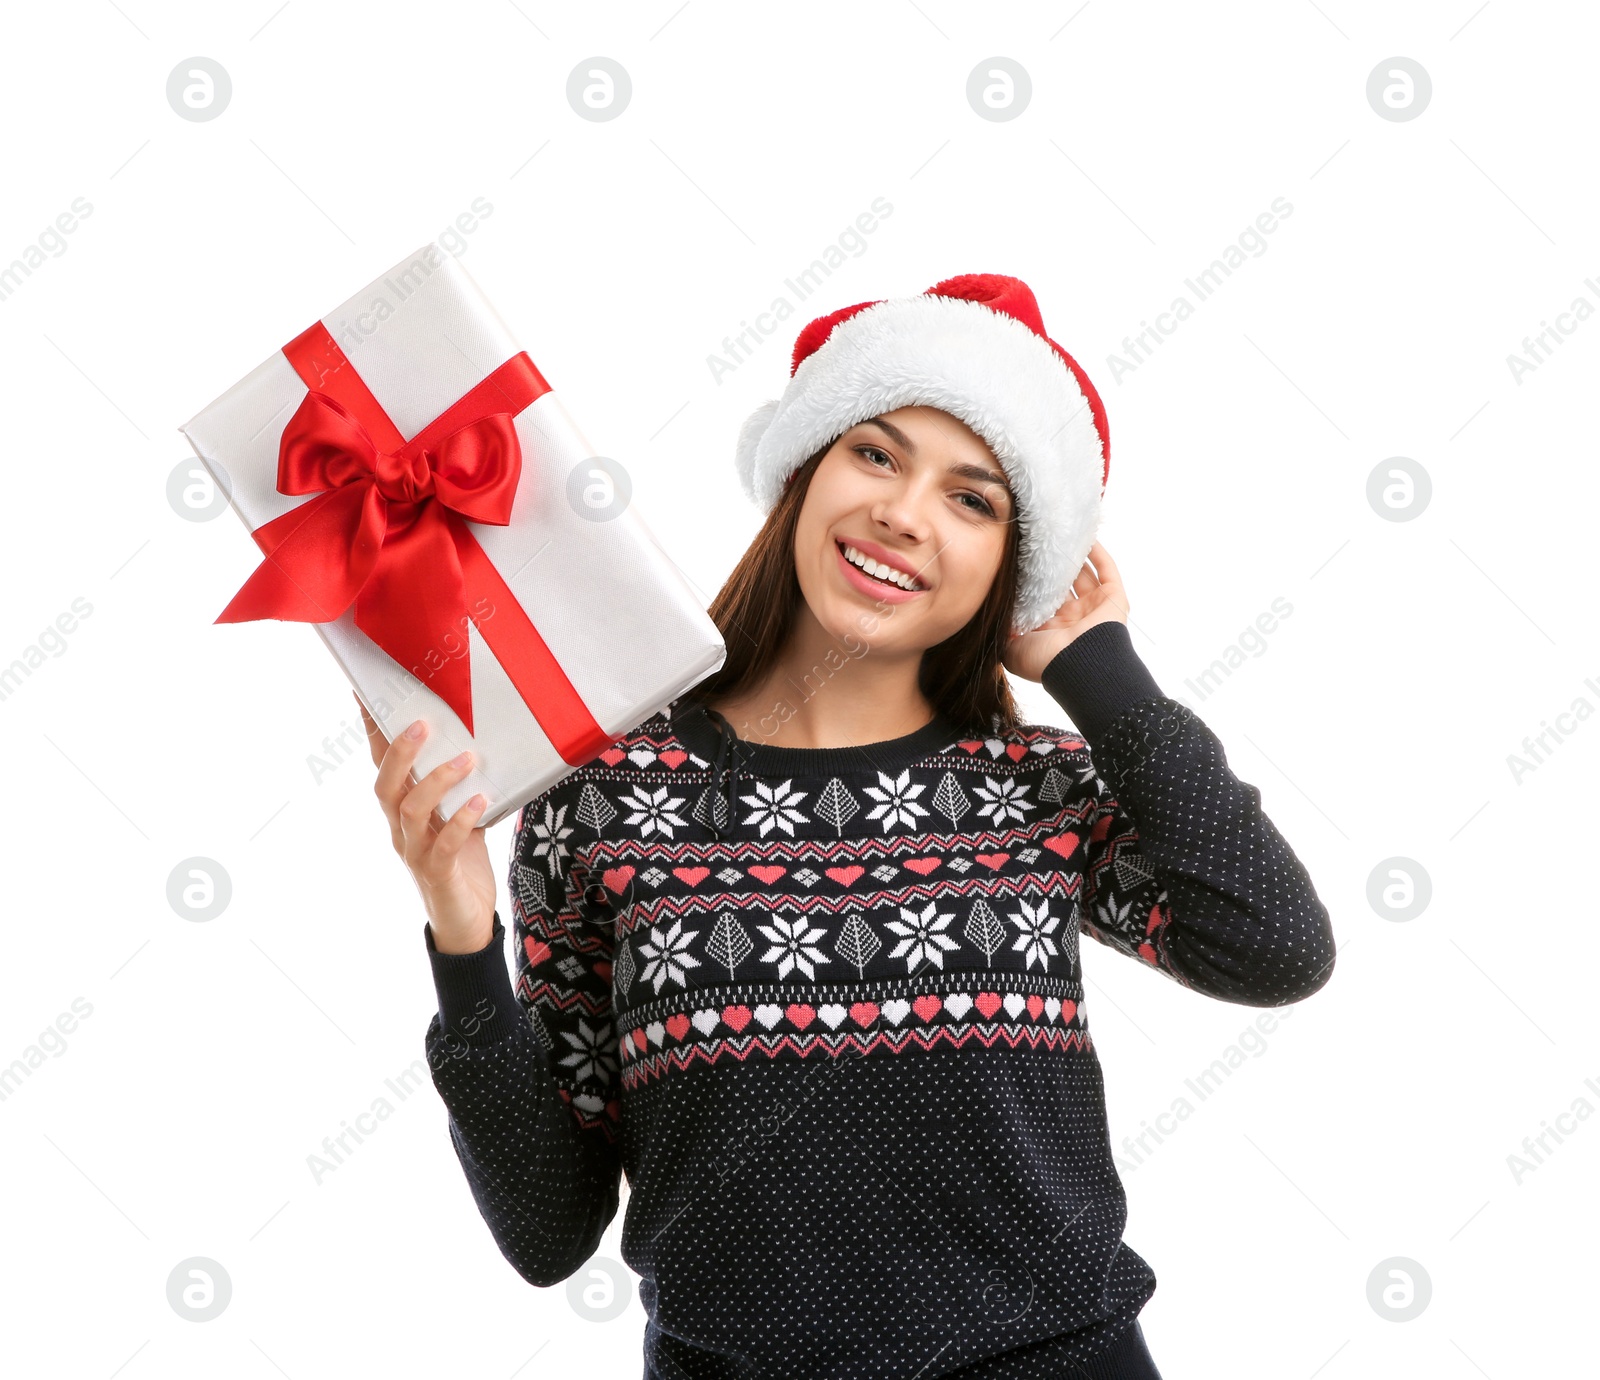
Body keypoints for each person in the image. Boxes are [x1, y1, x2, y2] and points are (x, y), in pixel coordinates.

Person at [361, 274, 1337, 1379]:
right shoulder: (602, 795)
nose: (904, 513)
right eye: (874, 454)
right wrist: (459, 928)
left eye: (973, 500)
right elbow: (547, 1230)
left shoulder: (1037, 789)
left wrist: (1100, 672)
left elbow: (1274, 950)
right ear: (802, 471)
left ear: (1013, 568)